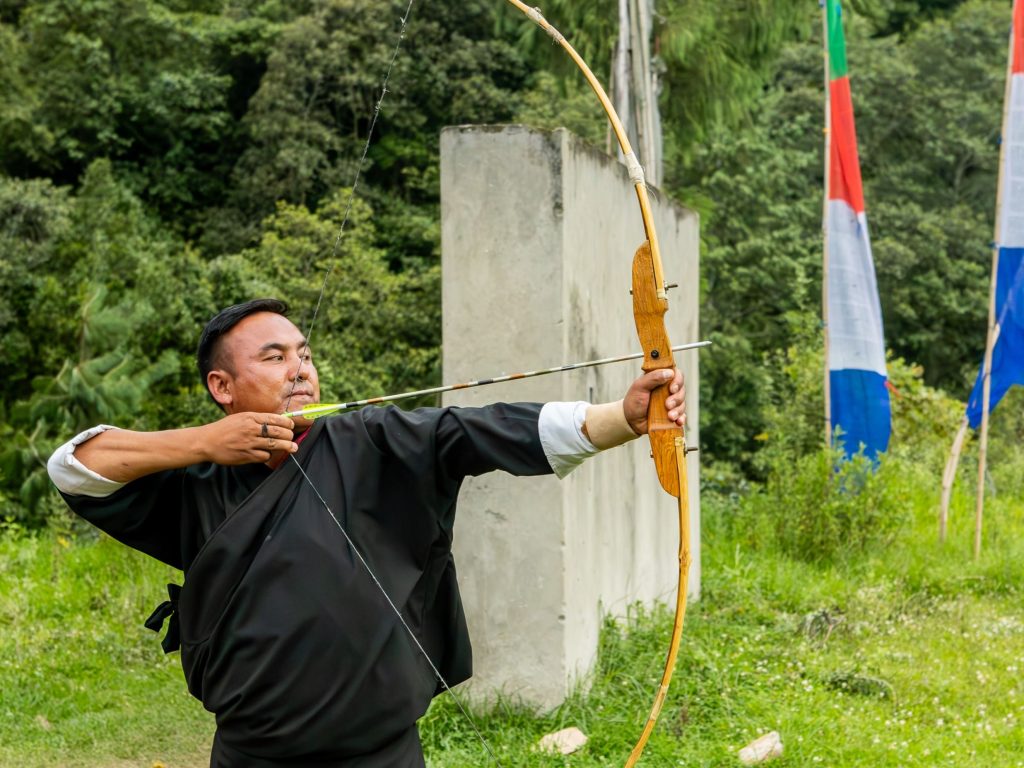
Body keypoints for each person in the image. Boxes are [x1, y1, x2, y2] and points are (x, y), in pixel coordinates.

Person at [47, 298, 686, 768]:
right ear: (222, 386)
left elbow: (477, 429)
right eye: (274, 358)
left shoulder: (377, 441)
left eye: (304, 354)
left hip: (382, 755)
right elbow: (75, 468)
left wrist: (621, 417)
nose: (299, 369)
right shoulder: (196, 482)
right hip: (254, 756)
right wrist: (204, 444)